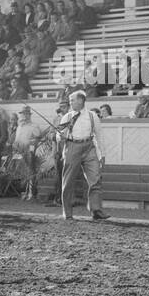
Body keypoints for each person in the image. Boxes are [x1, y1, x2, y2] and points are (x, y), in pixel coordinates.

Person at [58, 90, 107, 221]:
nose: (70, 102)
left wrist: (102, 154)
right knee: (67, 182)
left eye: (72, 100)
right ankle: (67, 213)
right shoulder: (67, 117)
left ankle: (96, 210)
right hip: (72, 147)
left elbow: (99, 136)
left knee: (95, 178)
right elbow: (58, 134)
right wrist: (60, 136)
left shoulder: (92, 116)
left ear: (81, 101)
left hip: (89, 147)